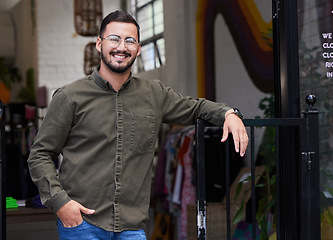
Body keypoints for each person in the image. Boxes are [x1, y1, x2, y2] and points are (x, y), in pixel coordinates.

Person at [27, 10, 248, 240]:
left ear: (138, 48)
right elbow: (40, 154)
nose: (121, 47)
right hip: (82, 224)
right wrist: (60, 202)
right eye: (114, 39)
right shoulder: (69, 97)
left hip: (132, 228)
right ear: (99, 44)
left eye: (129, 40)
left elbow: (196, 108)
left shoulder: (154, 94)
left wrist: (229, 114)